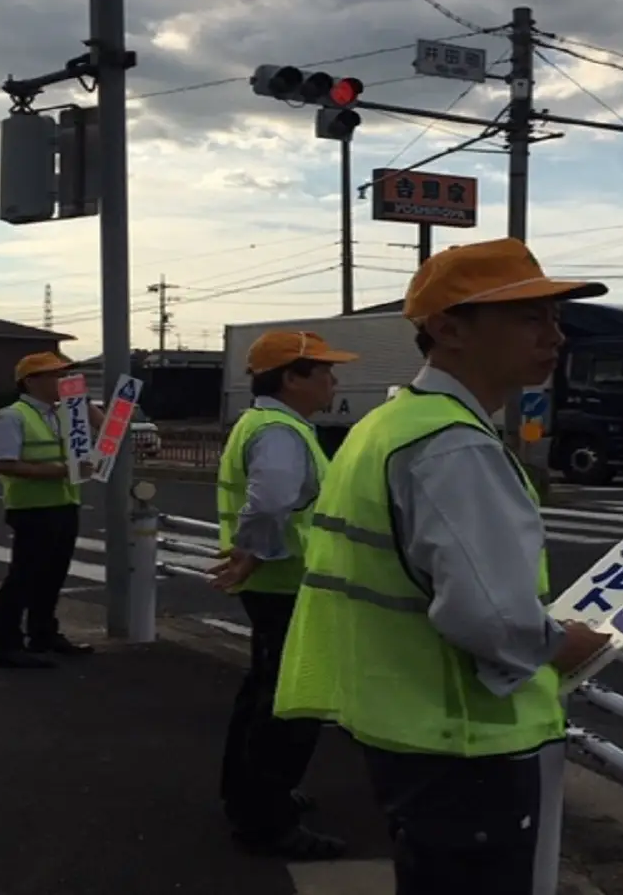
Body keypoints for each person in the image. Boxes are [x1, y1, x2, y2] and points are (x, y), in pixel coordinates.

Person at [272, 238, 615, 894]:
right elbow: (486, 614)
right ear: (448, 329)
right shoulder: (454, 447)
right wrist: (559, 643)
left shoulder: (389, 424)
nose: (555, 335)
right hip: (466, 742)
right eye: (529, 318)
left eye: (554, 317)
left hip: (402, 729)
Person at [211, 330, 359, 860]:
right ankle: (266, 820)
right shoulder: (280, 432)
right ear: (293, 377)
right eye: (323, 370)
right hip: (288, 582)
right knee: (290, 705)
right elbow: (271, 501)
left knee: (264, 693)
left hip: (276, 583)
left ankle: (249, 794)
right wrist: (253, 551)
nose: (333, 380)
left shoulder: (267, 423)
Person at [0, 351, 108, 670]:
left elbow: (109, 433)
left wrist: (84, 403)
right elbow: (1, 463)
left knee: (53, 577)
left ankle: (43, 634)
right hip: (32, 508)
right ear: (31, 381)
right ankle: (7, 645)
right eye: (56, 375)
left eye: (66, 375)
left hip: (65, 503)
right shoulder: (12, 416)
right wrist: (59, 471)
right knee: (23, 578)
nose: (64, 381)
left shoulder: (64, 414)